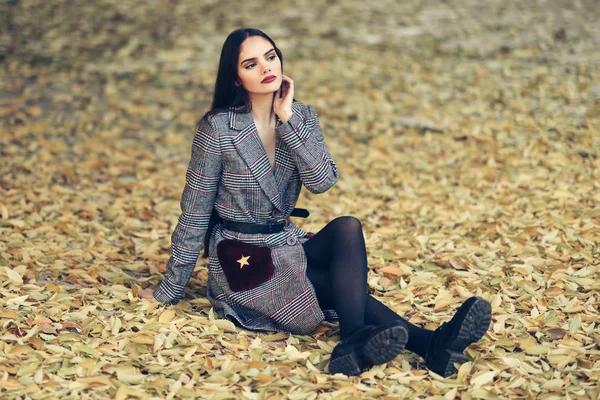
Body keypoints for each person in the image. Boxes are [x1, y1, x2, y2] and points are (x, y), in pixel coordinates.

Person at [140, 28, 492, 377]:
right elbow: (195, 211)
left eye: (271, 56)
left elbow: (322, 181)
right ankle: (430, 344)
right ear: (235, 78)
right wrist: (169, 289)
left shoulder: (301, 116)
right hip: (241, 259)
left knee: (347, 228)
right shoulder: (218, 129)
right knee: (319, 279)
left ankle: (358, 340)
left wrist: (288, 120)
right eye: (251, 64)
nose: (266, 68)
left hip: (284, 242)